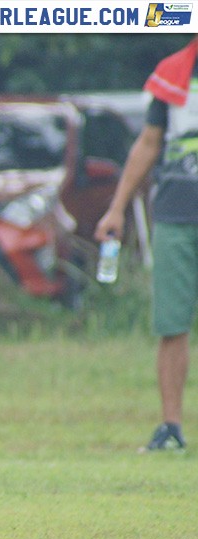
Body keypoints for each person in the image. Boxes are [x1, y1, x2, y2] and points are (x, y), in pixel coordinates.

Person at [94, 35, 198, 453]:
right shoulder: (175, 73)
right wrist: (116, 208)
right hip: (175, 214)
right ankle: (170, 427)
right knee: (171, 323)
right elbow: (149, 144)